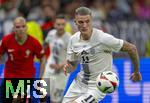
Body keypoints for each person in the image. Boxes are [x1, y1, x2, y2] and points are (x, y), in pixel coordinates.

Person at [62, 7, 142, 103]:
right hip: (79, 83)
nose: (84, 25)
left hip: (97, 87)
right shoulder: (73, 40)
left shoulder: (103, 39)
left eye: (87, 21)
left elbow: (131, 48)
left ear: (92, 21)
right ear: (75, 22)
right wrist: (68, 67)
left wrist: (136, 71)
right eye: (81, 22)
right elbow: (73, 65)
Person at [0, 17, 46, 103]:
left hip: (26, 78)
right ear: (13, 28)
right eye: (17, 27)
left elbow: (43, 58)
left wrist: (40, 77)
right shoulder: (6, 40)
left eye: (23, 26)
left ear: (26, 28)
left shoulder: (34, 42)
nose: (21, 29)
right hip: (9, 77)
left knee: (17, 100)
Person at [43, 14, 71, 103]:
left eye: (63, 24)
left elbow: (73, 58)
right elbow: (45, 45)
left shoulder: (70, 38)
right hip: (49, 69)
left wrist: (60, 65)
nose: (60, 27)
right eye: (58, 24)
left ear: (65, 25)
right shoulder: (51, 34)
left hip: (62, 73)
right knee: (41, 95)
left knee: (55, 100)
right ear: (54, 25)